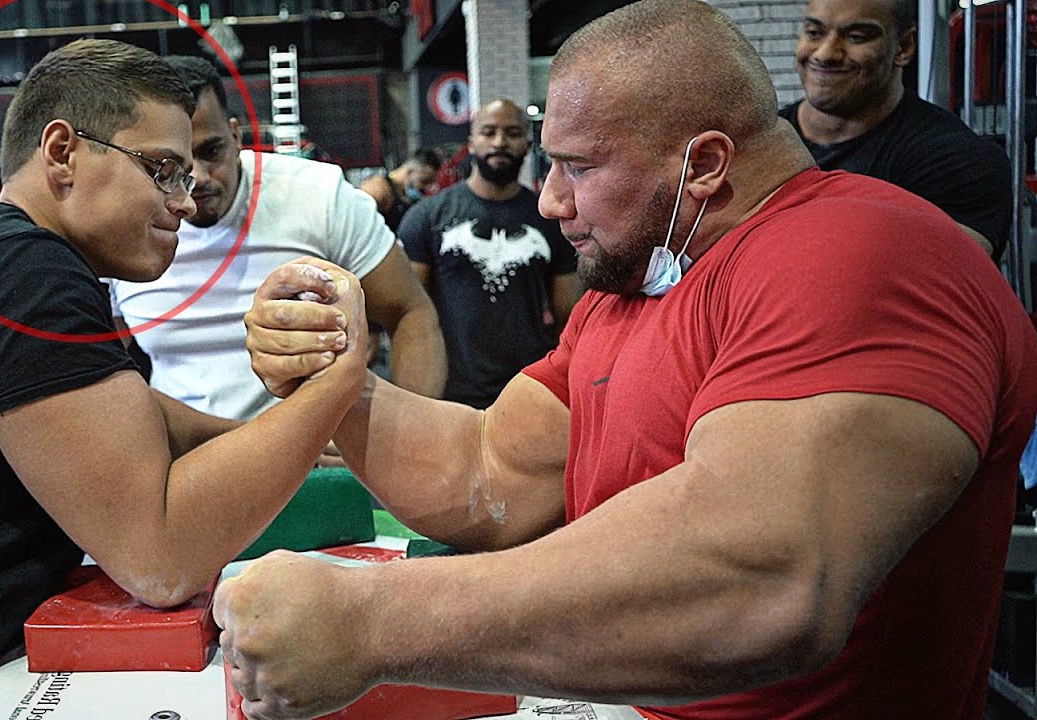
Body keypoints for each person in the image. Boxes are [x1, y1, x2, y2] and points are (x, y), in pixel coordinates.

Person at [215, 1, 1037, 718]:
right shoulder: (635, 284)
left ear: (706, 164)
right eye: (550, 162)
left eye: (579, 167)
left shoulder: (859, 249)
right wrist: (335, 378)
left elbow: (763, 578)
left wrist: (373, 622)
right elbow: (490, 470)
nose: (550, 200)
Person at [0, 39, 366, 720]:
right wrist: (335, 386)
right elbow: (159, 557)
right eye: (163, 170)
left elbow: (118, 411)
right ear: (61, 152)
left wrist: (269, 440)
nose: (185, 202)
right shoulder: (18, 268)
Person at [108, 55, 444, 421]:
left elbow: (411, 313)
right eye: (174, 165)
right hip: (186, 458)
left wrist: (404, 432)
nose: (199, 177)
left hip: (313, 456)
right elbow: (106, 368)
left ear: (236, 136)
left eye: (211, 151)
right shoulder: (120, 227)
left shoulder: (319, 195)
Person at [781, 0, 1011, 259]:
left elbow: (944, 283)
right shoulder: (755, 145)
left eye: (856, 37)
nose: (825, 53)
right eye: (814, 33)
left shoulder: (961, 160)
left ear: (904, 47)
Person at [398, 98, 581, 409]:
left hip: (528, 390)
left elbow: (569, 317)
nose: (500, 142)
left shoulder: (549, 219)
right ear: (471, 143)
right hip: (452, 393)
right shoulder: (428, 217)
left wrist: (561, 384)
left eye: (511, 133)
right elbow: (408, 313)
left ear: (527, 143)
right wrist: (416, 398)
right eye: (488, 132)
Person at [358, 146, 443, 232]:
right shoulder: (378, 188)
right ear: (410, 171)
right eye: (424, 181)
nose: (426, 187)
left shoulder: (404, 195)